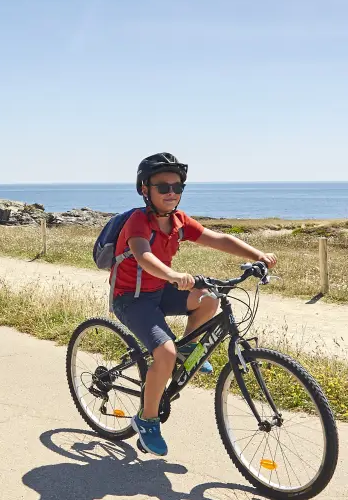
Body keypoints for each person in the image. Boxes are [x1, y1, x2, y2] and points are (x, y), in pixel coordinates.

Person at [111, 152, 276, 457]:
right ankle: (146, 420)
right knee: (165, 352)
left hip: (160, 291)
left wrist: (257, 255)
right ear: (145, 189)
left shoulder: (178, 221)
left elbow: (219, 239)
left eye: (177, 187)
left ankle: (187, 351)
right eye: (163, 187)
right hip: (131, 299)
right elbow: (143, 256)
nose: (171, 192)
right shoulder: (138, 221)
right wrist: (173, 275)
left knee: (210, 297)